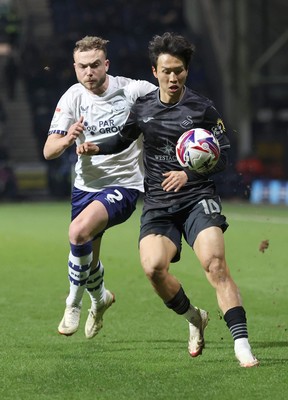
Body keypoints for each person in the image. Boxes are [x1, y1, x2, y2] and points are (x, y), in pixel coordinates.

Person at [77, 32, 259, 367]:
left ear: (186, 71)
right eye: (166, 71)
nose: (172, 77)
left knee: (215, 265)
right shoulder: (143, 108)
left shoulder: (202, 108)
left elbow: (224, 157)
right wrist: (95, 147)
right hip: (159, 206)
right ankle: (194, 318)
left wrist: (189, 174)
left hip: (197, 199)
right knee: (153, 268)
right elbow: (122, 139)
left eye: (178, 70)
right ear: (154, 71)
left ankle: (242, 343)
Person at [43, 36, 156, 339]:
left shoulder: (131, 90)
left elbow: (171, 100)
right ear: (75, 67)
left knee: (78, 232)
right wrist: (68, 139)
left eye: (95, 65)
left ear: (106, 64)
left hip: (124, 184)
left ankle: (73, 303)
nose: (89, 72)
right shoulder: (72, 97)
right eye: (83, 67)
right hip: (85, 187)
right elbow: (48, 151)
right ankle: (100, 299)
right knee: (88, 259)